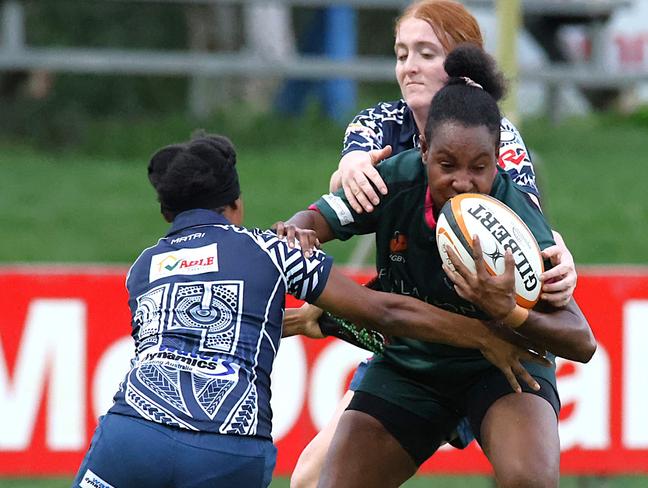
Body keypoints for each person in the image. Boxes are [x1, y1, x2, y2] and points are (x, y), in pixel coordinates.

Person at [71, 133, 548, 488]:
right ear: (236, 205)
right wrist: (483, 334)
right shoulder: (269, 249)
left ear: (166, 215)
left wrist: (306, 322)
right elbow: (384, 312)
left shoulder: (141, 269)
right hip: (227, 443)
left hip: (132, 431)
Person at [279, 44, 596, 487]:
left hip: (503, 369)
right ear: (424, 148)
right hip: (412, 367)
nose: (463, 181)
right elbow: (317, 218)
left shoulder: (515, 217)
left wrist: (510, 310)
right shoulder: (394, 180)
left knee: (531, 481)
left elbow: (582, 342)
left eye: (480, 167)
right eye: (447, 164)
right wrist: (298, 226)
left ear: (498, 158)